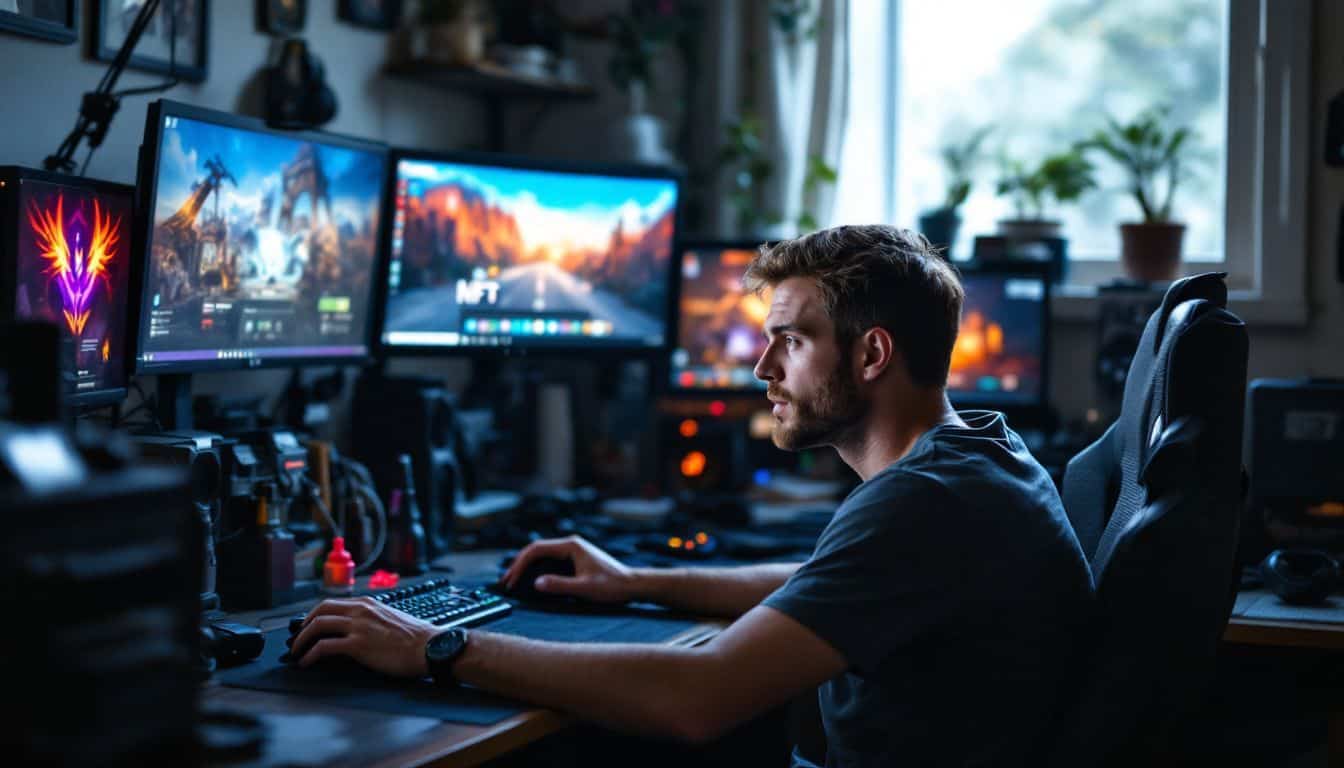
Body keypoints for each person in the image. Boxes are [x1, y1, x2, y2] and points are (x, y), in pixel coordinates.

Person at [292, 225, 1095, 766]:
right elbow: (822, 585)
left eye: (791, 340)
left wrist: (434, 646)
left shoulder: (927, 502)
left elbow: (696, 697)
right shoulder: (979, 451)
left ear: (872, 353)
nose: (762, 370)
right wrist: (635, 581)